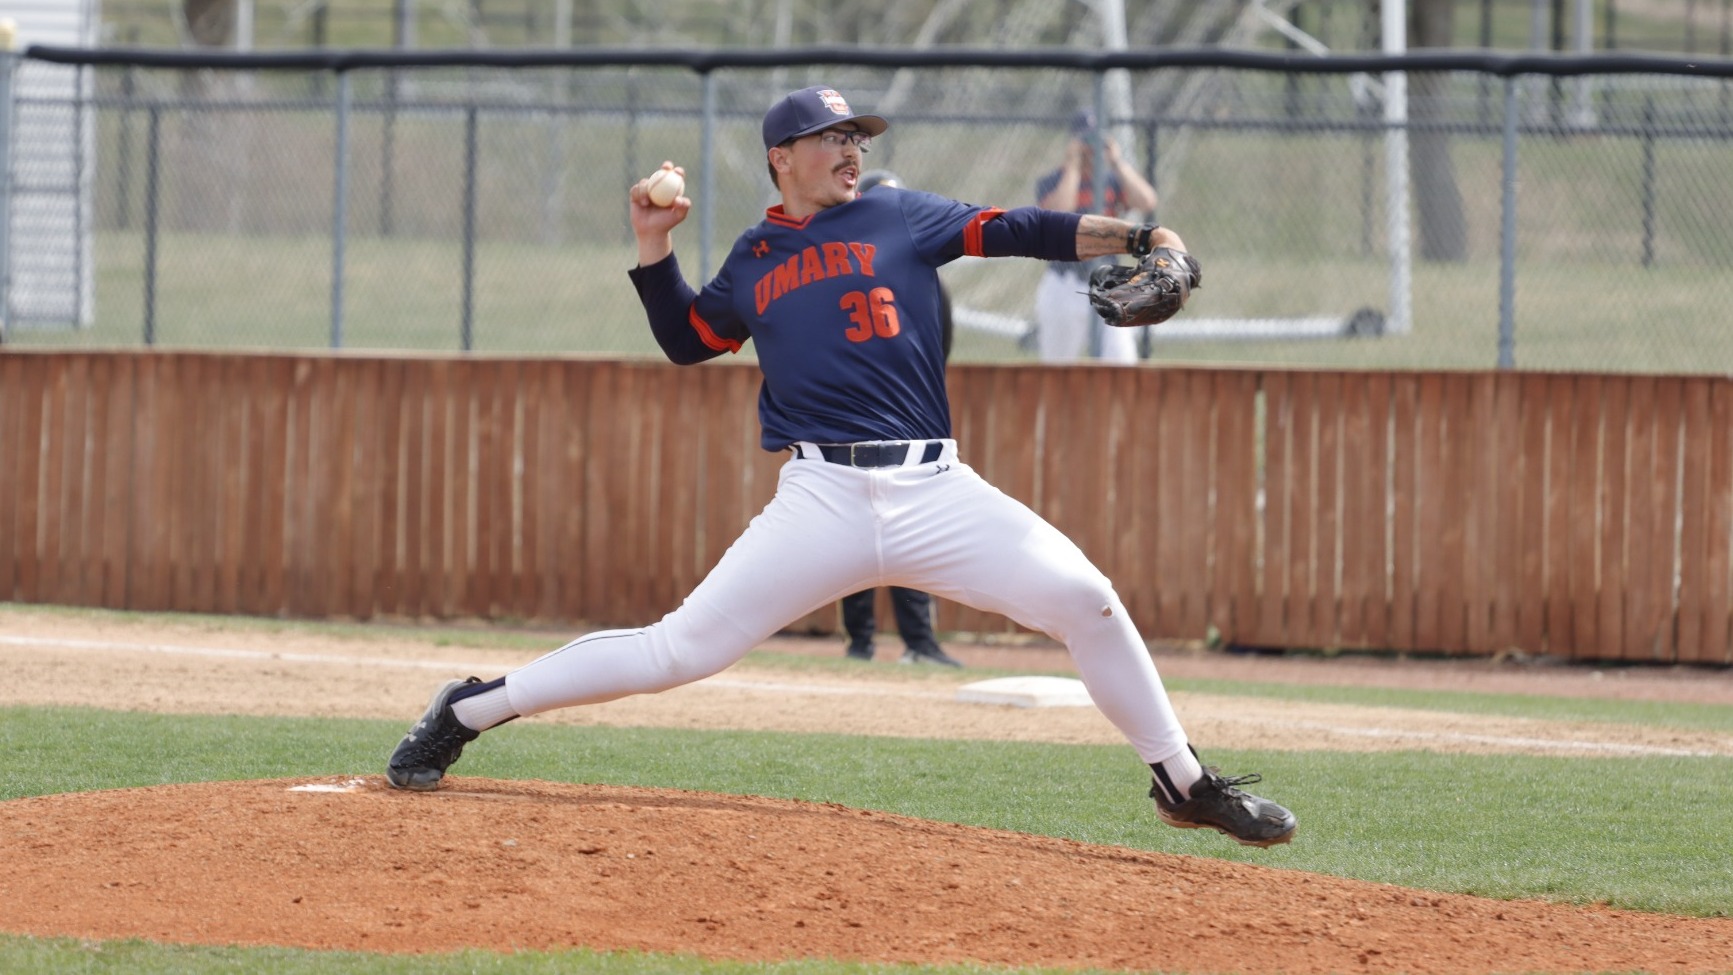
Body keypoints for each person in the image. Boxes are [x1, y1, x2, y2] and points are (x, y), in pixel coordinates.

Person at [386, 84, 1297, 848]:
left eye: (856, 136)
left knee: (1087, 598)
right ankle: (466, 709)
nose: (851, 150)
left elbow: (1017, 226)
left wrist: (1142, 239)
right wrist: (652, 243)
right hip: (818, 496)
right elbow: (687, 341)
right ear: (782, 156)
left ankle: (1182, 782)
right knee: (678, 650)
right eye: (831, 138)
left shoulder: (898, 215)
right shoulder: (755, 255)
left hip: (935, 490)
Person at [837, 168, 963, 668]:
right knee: (852, 537)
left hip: (913, 426)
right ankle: (860, 642)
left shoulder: (922, 274)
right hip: (848, 426)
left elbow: (939, 343)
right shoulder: (838, 275)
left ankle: (920, 643)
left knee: (914, 535)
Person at [1032, 110, 1159, 365]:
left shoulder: (1112, 180)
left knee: (1122, 363)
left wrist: (1117, 161)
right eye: (1086, 141)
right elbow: (1057, 211)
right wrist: (1074, 166)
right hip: (1065, 281)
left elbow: (1146, 200)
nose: (1092, 147)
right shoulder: (1053, 180)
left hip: (1106, 282)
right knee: (1056, 370)